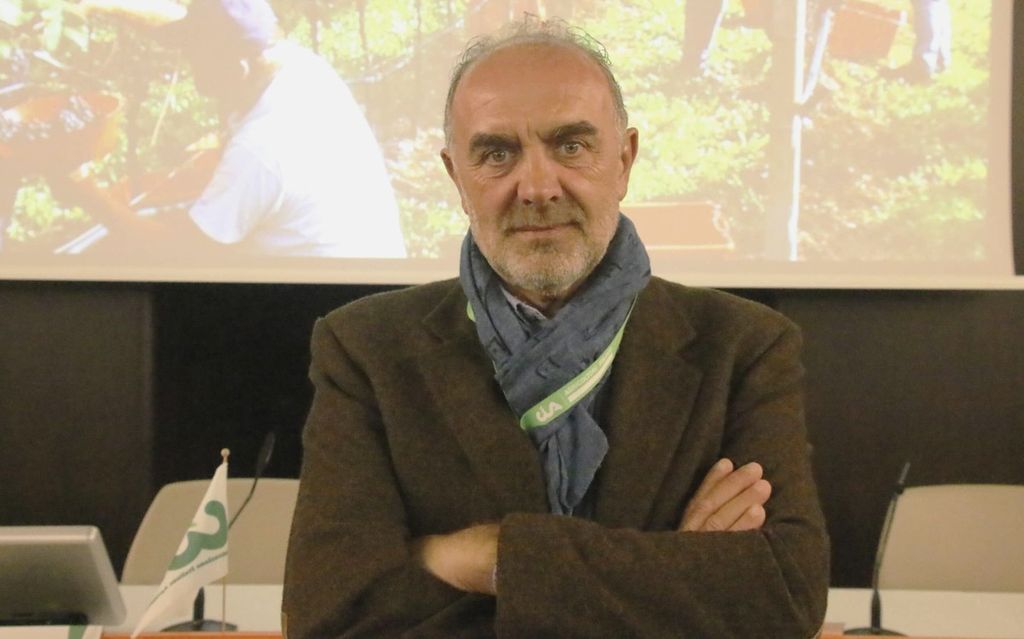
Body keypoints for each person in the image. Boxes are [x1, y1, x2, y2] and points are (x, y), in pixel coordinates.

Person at [283, 17, 828, 638]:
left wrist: (486, 558)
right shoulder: (366, 350)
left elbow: (783, 598)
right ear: (456, 176)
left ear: (623, 160)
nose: (538, 187)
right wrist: (673, 571)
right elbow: (331, 613)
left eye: (570, 146)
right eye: (497, 153)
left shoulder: (744, 348)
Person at [59, 0, 406, 258]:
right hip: (370, 276)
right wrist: (106, 4)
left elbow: (178, 255)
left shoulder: (262, 148)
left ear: (237, 68)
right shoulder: (297, 66)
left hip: (329, 305)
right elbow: (191, 27)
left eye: (197, 57)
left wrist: (84, 190)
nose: (190, 65)